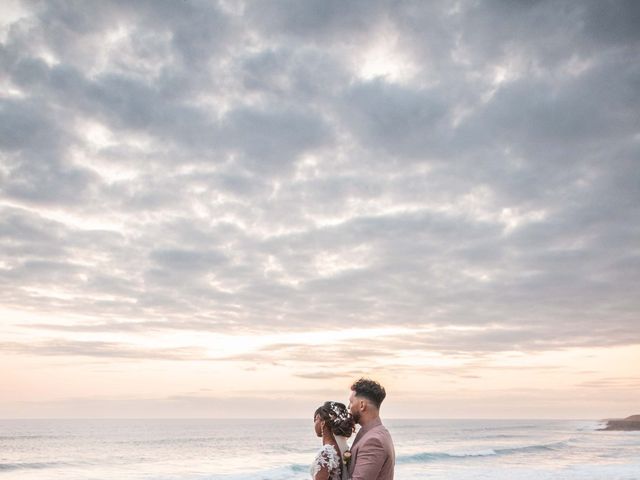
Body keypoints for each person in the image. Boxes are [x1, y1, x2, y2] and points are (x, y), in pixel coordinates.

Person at [347, 378, 395, 480]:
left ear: (362, 405)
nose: (348, 407)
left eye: (351, 402)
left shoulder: (373, 440)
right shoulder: (378, 432)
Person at [310, 401, 355, 480]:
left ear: (323, 423)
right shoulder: (343, 449)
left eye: (316, 419)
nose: (314, 423)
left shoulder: (326, 452)